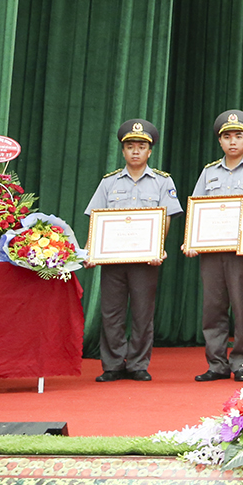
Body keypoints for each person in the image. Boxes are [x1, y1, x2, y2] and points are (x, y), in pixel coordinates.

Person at [86, 119, 181, 381]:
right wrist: (90, 250)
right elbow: (96, 217)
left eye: (141, 147)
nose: (135, 151)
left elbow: (167, 217)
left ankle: (138, 364)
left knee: (142, 313)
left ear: (149, 151)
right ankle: (113, 365)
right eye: (130, 147)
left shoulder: (162, 181)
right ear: (123, 151)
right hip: (112, 259)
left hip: (145, 259)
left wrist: (157, 247)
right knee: (111, 312)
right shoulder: (109, 182)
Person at [189, 109, 243, 382]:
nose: (233, 141)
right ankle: (216, 363)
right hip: (211, 252)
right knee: (213, 307)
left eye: (238, 136)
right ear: (220, 141)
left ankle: (242, 363)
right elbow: (196, 208)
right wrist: (192, 241)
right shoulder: (208, 172)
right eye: (227, 136)